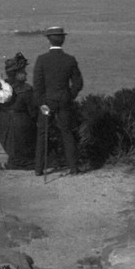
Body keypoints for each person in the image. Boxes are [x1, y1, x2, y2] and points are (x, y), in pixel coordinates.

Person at [32, 26, 84, 176]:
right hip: (63, 101)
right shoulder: (70, 60)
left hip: (47, 102)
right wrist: (69, 96)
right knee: (67, 133)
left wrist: (42, 103)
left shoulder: (42, 60)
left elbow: (38, 85)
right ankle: (73, 167)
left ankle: (38, 169)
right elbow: (78, 83)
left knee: (42, 133)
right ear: (63, 39)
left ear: (48, 40)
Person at [0, 52, 37, 169]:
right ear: (16, 73)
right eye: (23, 71)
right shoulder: (26, 89)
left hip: (2, 124)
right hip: (21, 125)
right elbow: (33, 112)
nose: (26, 73)